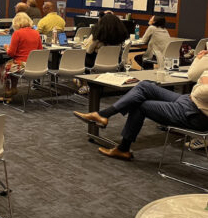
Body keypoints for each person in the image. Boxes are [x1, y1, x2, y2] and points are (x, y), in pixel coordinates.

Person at [73, 50, 208, 161]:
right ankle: (103, 115)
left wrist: (201, 82)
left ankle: (122, 148)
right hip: (188, 101)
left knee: (140, 105)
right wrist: (199, 59)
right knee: (145, 86)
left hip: (196, 114)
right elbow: (193, 76)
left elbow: (200, 89)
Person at [0, 12, 42, 103]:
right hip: (34, 65)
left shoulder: (17, 33)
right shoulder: (36, 33)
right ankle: (14, 87)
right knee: (12, 64)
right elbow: (40, 51)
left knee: (4, 67)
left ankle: (8, 89)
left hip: (23, 66)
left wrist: (6, 47)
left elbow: (11, 53)